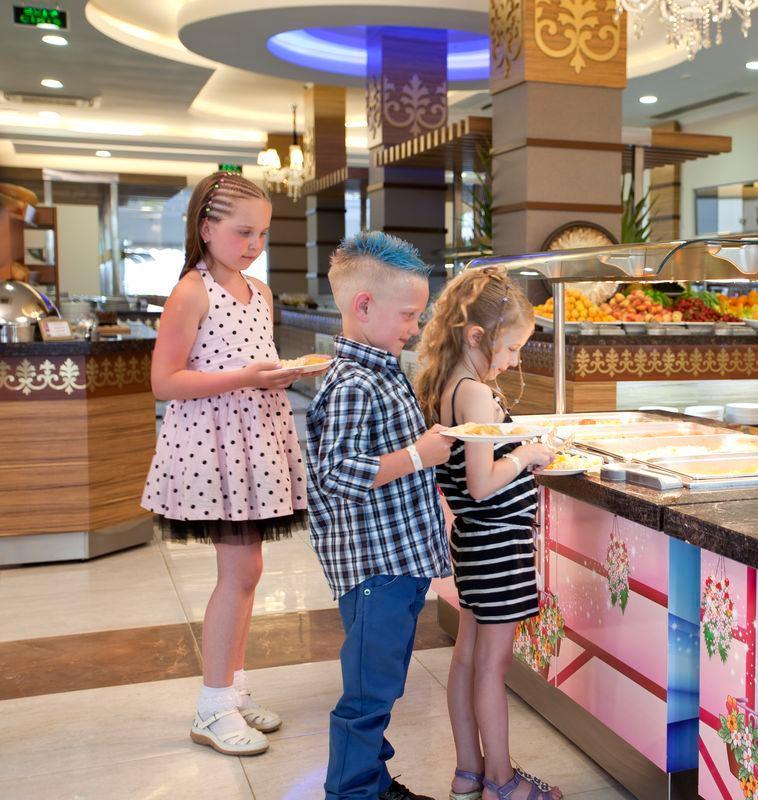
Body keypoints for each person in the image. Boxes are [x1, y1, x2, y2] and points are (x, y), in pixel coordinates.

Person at [142, 170, 306, 756]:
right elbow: (165, 381)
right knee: (237, 573)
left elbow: (252, 361)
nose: (253, 245)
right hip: (213, 446)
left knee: (249, 572)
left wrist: (275, 374)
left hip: (253, 440)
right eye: (242, 232)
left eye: (261, 234)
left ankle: (232, 690)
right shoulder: (192, 291)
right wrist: (246, 377)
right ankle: (212, 706)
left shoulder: (259, 292)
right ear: (206, 228)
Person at [306, 231, 454, 800]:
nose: (415, 326)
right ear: (364, 306)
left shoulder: (383, 370)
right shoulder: (353, 382)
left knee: (384, 683)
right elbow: (338, 473)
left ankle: (371, 780)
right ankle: (350, 791)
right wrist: (420, 454)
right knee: (368, 694)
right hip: (375, 568)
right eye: (409, 315)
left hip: (398, 561)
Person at [414, 267, 561, 800]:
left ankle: (468, 772)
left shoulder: (446, 383)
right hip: (497, 542)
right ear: (477, 336)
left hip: (476, 543)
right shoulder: (474, 394)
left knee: (468, 657)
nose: (516, 360)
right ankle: (502, 780)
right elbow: (480, 484)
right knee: (491, 668)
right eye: (512, 347)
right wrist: (526, 454)